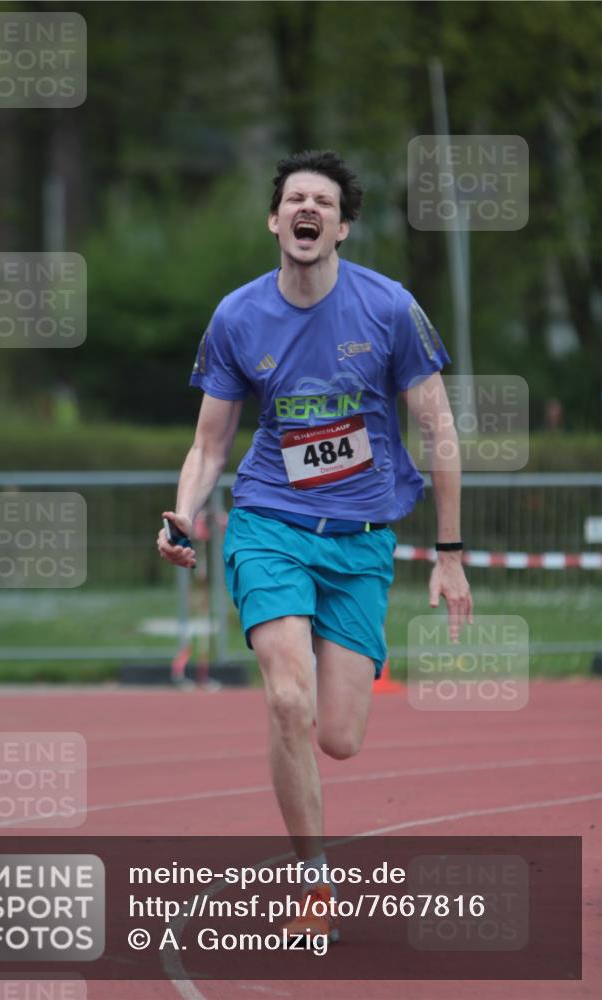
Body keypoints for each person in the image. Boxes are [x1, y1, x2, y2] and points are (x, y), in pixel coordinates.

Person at [157, 149, 473, 942]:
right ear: (275, 221)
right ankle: (312, 876)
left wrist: (448, 553)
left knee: (338, 738)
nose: (307, 209)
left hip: (362, 542)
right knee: (286, 700)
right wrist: (183, 513)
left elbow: (437, 431)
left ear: (341, 226)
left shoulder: (388, 308)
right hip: (270, 526)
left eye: (322, 202)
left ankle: (339, 665)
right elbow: (210, 443)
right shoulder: (237, 316)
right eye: (293, 198)